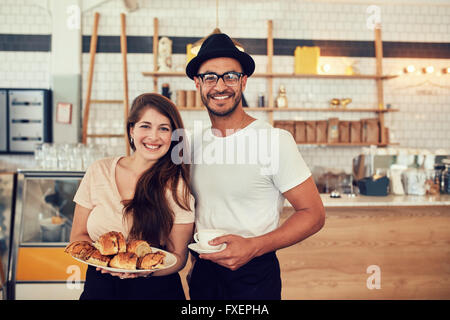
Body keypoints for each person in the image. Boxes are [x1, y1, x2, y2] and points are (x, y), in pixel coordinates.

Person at [185, 33, 326, 300]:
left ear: (244, 81)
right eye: (210, 77)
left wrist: (254, 246)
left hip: (254, 277)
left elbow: (314, 214)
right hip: (203, 274)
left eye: (230, 76)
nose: (220, 85)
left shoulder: (275, 141)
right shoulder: (193, 145)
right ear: (198, 83)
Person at [70, 93, 195, 300]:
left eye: (163, 128)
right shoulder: (98, 170)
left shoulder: (177, 185)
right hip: (99, 288)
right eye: (145, 126)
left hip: (156, 291)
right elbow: (78, 236)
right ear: (131, 130)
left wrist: (146, 269)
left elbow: (179, 256)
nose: (154, 137)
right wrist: (109, 262)